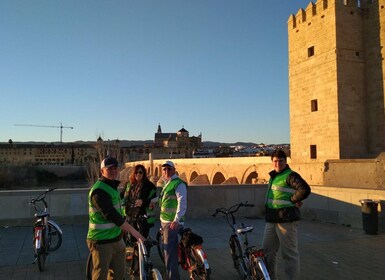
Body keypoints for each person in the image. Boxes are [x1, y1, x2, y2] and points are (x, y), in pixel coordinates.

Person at [87, 157, 145, 280]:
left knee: (118, 275)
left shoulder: (112, 188)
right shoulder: (98, 191)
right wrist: (135, 233)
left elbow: (119, 211)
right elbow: (113, 216)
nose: (114, 170)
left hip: (117, 239)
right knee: (100, 275)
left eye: (115, 168)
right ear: (102, 171)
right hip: (101, 242)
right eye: (109, 169)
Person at [262, 149, 311, 280]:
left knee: (289, 255)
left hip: (286, 220)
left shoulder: (290, 175)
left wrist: (293, 200)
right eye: (275, 161)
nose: (278, 163)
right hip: (272, 219)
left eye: (281, 161)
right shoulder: (274, 176)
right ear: (272, 162)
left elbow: (304, 189)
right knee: (268, 253)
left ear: (286, 161)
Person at [121, 164, 157, 274]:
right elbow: (122, 196)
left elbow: (154, 199)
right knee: (133, 242)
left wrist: (143, 202)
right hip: (131, 217)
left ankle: (141, 266)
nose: (138, 175)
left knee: (142, 241)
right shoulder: (129, 184)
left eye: (140, 172)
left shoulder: (149, 185)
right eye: (136, 172)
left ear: (144, 173)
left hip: (143, 218)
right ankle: (136, 263)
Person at [159, 160, 187, 280]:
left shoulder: (178, 183)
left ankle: (173, 277)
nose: (166, 171)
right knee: (171, 250)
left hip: (171, 223)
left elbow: (182, 202)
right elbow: (166, 198)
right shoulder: (167, 183)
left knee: (169, 253)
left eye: (169, 169)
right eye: (164, 169)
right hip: (166, 221)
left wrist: (176, 220)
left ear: (174, 170)